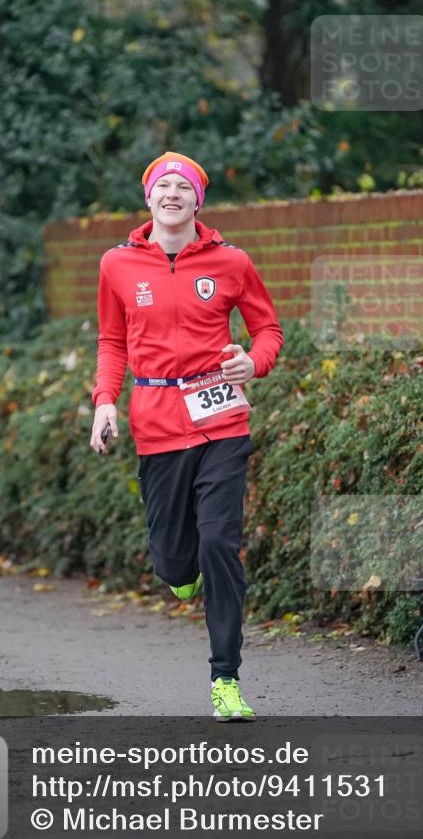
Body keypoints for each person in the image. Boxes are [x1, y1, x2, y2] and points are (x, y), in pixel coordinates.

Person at [89, 152, 283, 720]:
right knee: (175, 562)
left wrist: (255, 362)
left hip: (221, 419)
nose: (172, 193)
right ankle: (182, 573)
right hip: (154, 423)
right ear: (148, 199)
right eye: (162, 186)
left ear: (199, 200)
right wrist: (105, 404)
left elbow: (266, 328)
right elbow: (111, 342)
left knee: (220, 543)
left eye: (183, 186)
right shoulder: (117, 265)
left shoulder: (231, 261)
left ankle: (226, 678)